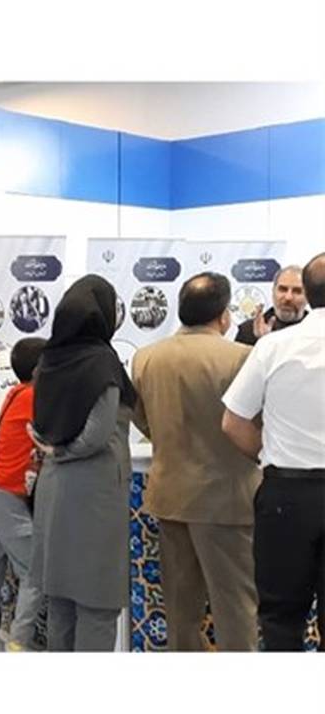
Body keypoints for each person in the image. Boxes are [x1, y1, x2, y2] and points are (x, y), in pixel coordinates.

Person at [132, 272, 260, 651]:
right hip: (227, 501)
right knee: (235, 610)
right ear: (224, 315)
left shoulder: (146, 358)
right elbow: (254, 425)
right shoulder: (242, 358)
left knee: (180, 613)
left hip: (169, 496)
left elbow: (143, 419)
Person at [222, 251, 325, 651]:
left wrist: (267, 455)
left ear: (308, 294)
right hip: (291, 489)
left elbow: (233, 422)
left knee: (280, 619)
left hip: (286, 494)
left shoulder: (272, 347)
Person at [29, 275, 136, 651]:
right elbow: (97, 433)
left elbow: (42, 423)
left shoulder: (49, 359)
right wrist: (63, 451)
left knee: (61, 600)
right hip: (94, 492)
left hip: (56, 487)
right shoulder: (102, 360)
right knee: (97, 603)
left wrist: (54, 451)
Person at [0, 336, 47, 651]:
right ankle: (18, 642)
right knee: (35, 571)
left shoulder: (15, 392)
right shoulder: (34, 397)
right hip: (5, 494)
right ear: (40, 368)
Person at [234, 265, 307, 345]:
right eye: (283, 289)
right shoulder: (248, 330)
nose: (288, 297)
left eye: (297, 291)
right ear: (273, 291)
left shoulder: (316, 330)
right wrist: (261, 341)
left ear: (308, 296)